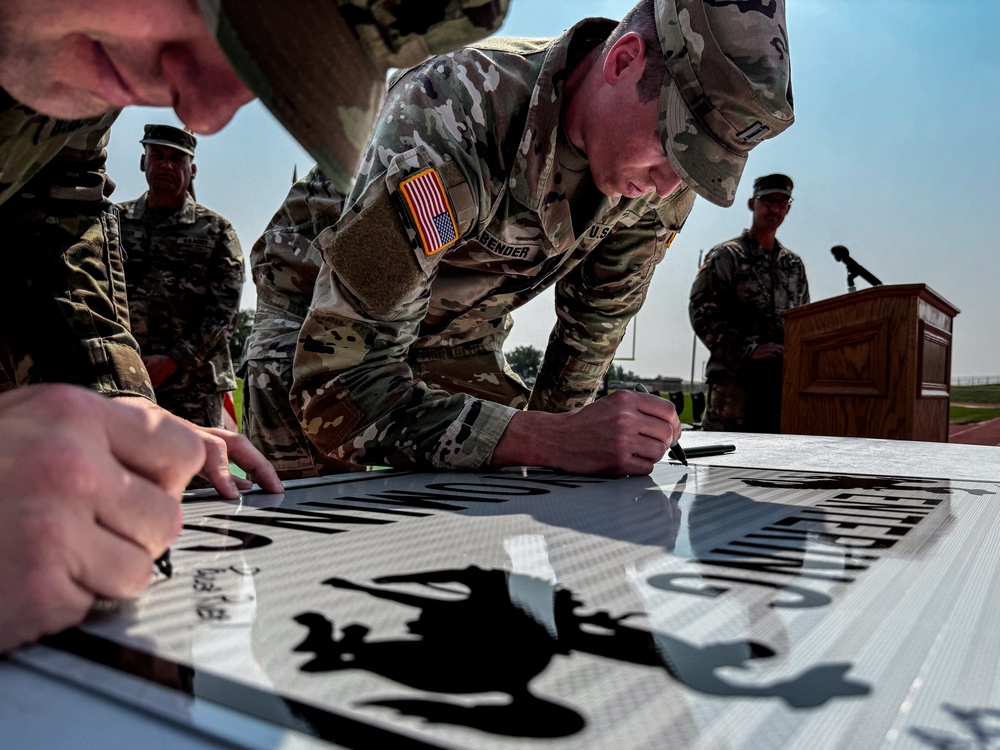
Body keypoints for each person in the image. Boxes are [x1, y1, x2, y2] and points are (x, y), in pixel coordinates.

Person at [0, 0, 510, 653]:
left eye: (264, 68)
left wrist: (121, 408)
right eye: (221, 12)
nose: (203, 113)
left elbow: (57, 220)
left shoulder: (77, 64)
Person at [244, 0, 795, 479]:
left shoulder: (660, 181)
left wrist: (572, 442)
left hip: (460, 335)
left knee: (496, 517)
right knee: (305, 509)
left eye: (698, 165)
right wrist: (552, 440)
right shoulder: (451, 115)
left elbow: (591, 338)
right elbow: (339, 394)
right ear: (623, 60)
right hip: (319, 324)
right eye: (674, 145)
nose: (671, 184)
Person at [118, 124, 244, 430]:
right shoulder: (113, 223)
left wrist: (173, 361)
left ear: (193, 169)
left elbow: (223, 315)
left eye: (177, 158)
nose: (166, 164)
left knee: (198, 473)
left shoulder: (216, 230)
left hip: (193, 386)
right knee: (127, 474)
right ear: (142, 161)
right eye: (157, 155)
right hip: (124, 379)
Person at [689, 173, 810, 433]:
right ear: (752, 203)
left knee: (775, 469)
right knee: (727, 468)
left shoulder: (793, 265)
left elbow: (804, 323)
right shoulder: (728, 255)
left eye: (781, 202)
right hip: (734, 391)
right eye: (768, 201)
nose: (774, 208)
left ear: (788, 208)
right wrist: (747, 349)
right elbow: (702, 312)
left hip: (781, 391)